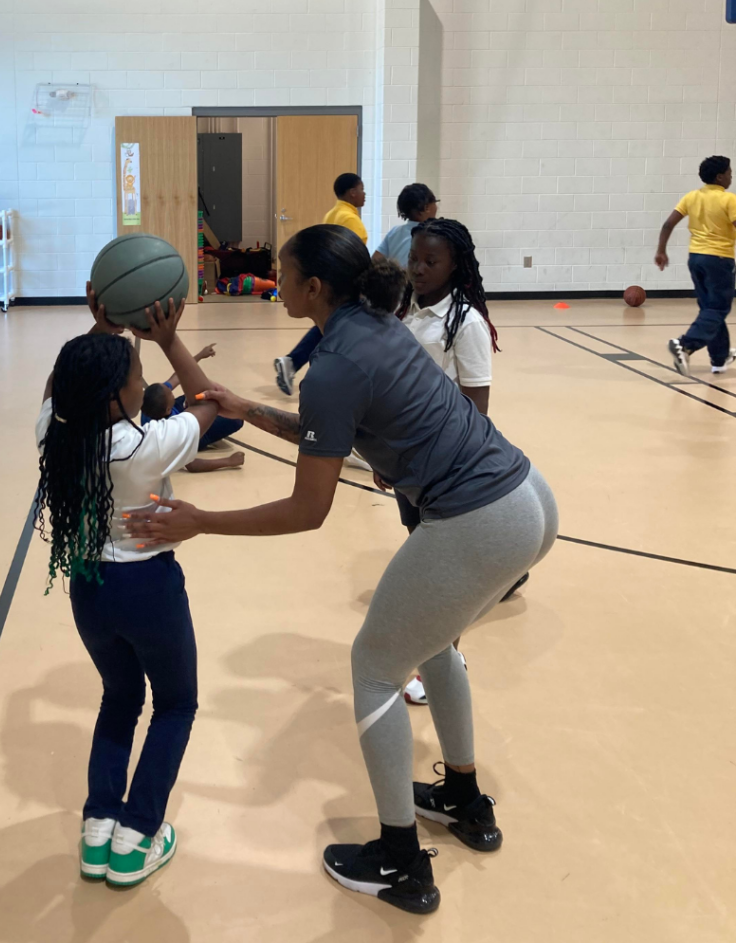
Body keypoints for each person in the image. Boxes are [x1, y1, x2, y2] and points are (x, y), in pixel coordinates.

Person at [128, 225, 558, 915]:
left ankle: (400, 862)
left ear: (314, 289)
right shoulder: (375, 327)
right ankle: (464, 799)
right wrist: (204, 373)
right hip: (526, 498)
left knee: (376, 667)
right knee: (432, 642)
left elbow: (309, 509)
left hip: (481, 520)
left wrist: (202, 522)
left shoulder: (334, 364)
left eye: (282, 273)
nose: (276, 281)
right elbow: (328, 427)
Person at [33, 286, 218, 887]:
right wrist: (166, 337)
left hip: (88, 588)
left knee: (119, 698)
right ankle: (137, 836)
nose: (145, 382)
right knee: (177, 704)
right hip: (148, 588)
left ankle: (97, 832)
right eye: (138, 376)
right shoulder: (147, 445)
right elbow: (212, 402)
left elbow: (56, 390)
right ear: (118, 397)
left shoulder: (54, 434)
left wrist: (99, 330)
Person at [391, 217, 526, 705]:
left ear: (455, 266)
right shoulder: (402, 310)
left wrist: (441, 463)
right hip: (406, 460)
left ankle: (445, 662)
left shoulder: (464, 322)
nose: (419, 269)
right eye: (414, 260)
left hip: (446, 466)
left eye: (432, 261)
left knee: (441, 572)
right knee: (423, 555)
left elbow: (476, 407)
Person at [274, 173, 368, 396]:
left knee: (326, 327)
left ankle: (293, 362)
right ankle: (307, 369)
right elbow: (355, 258)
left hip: (326, 283)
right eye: (362, 189)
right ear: (352, 192)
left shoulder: (332, 214)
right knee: (337, 330)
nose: (364, 195)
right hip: (341, 286)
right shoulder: (352, 220)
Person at [655, 154, 736, 375]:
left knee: (710, 308)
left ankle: (719, 359)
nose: (731, 176)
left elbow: (668, 224)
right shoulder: (729, 199)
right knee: (718, 308)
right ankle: (685, 344)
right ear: (720, 177)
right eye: (730, 172)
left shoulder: (691, 197)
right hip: (719, 259)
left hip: (696, 259)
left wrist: (661, 250)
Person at [141, 343, 246, 473]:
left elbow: (178, 375)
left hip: (176, 412)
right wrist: (229, 461)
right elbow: (192, 465)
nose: (171, 390)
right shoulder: (171, 436)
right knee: (237, 419)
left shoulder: (150, 404)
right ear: (168, 410)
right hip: (191, 433)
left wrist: (200, 356)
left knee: (198, 390)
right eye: (171, 393)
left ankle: (192, 408)